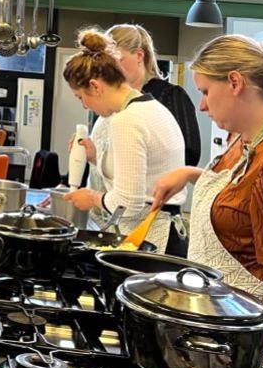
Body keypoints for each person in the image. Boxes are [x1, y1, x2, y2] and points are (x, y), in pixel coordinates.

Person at [153, 35, 263, 368]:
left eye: (204, 91)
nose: (201, 106)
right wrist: (191, 175)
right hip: (234, 335)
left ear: (234, 82)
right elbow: (245, 200)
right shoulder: (245, 137)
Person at [62, 29, 186, 253]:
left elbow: (127, 204)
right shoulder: (149, 107)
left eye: (81, 97)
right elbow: (143, 171)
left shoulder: (126, 119)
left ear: (96, 86)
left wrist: (91, 198)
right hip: (165, 232)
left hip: (151, 237)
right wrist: (96, 157)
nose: (84, 106)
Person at [107, 23, 201, 166]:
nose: (110, 68)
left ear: (139, 55)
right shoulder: (110, 99)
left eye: (117, 60)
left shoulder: (171, 95)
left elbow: (190, 154)